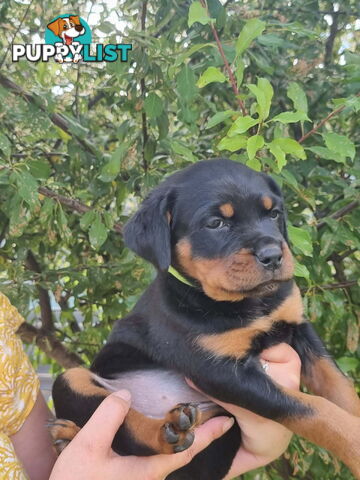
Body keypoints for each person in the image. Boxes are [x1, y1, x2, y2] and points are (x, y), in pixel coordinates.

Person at [0, 291, 301, 479]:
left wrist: (267, 435)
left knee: (71, 381)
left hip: (181, 433)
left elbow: (49, 465)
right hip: (159, 428)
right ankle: (152, 433)